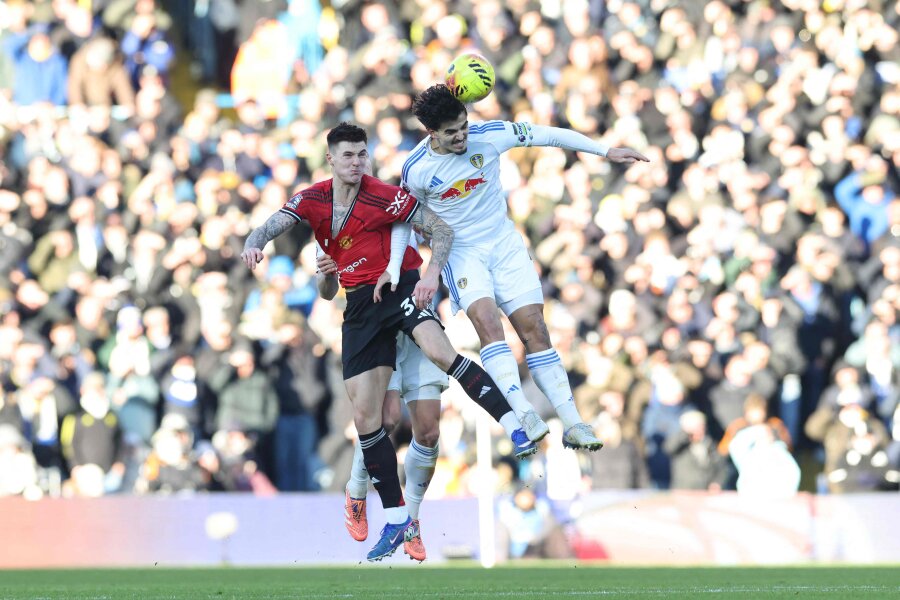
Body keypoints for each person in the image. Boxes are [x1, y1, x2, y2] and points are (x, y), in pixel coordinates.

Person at [241, 122, 547, 562]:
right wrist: (259, 247)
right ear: (331, 159)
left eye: (361, 154)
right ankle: (387, 511)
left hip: (399, 290)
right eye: (348, 155)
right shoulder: (313, 201)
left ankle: (515, 425)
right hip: (360, 308)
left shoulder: (385, 195)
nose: (356, 162)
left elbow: (440, 230)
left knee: (438, 378)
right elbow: (279, 238)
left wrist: (429, 276)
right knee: (369, 418)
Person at [389, 84, 649, 450]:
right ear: (432, 132)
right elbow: (405, 218)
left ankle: (574, 423)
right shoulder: (416, 169)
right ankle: (524, 412)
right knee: (488, 324)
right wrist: (396, 267)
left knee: (535, 329)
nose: (462, 136)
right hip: (461, 252)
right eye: (451, 132)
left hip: (505, 244)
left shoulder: (491, 135)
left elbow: (548, 135)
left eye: (464, 126)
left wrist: (605, 150)